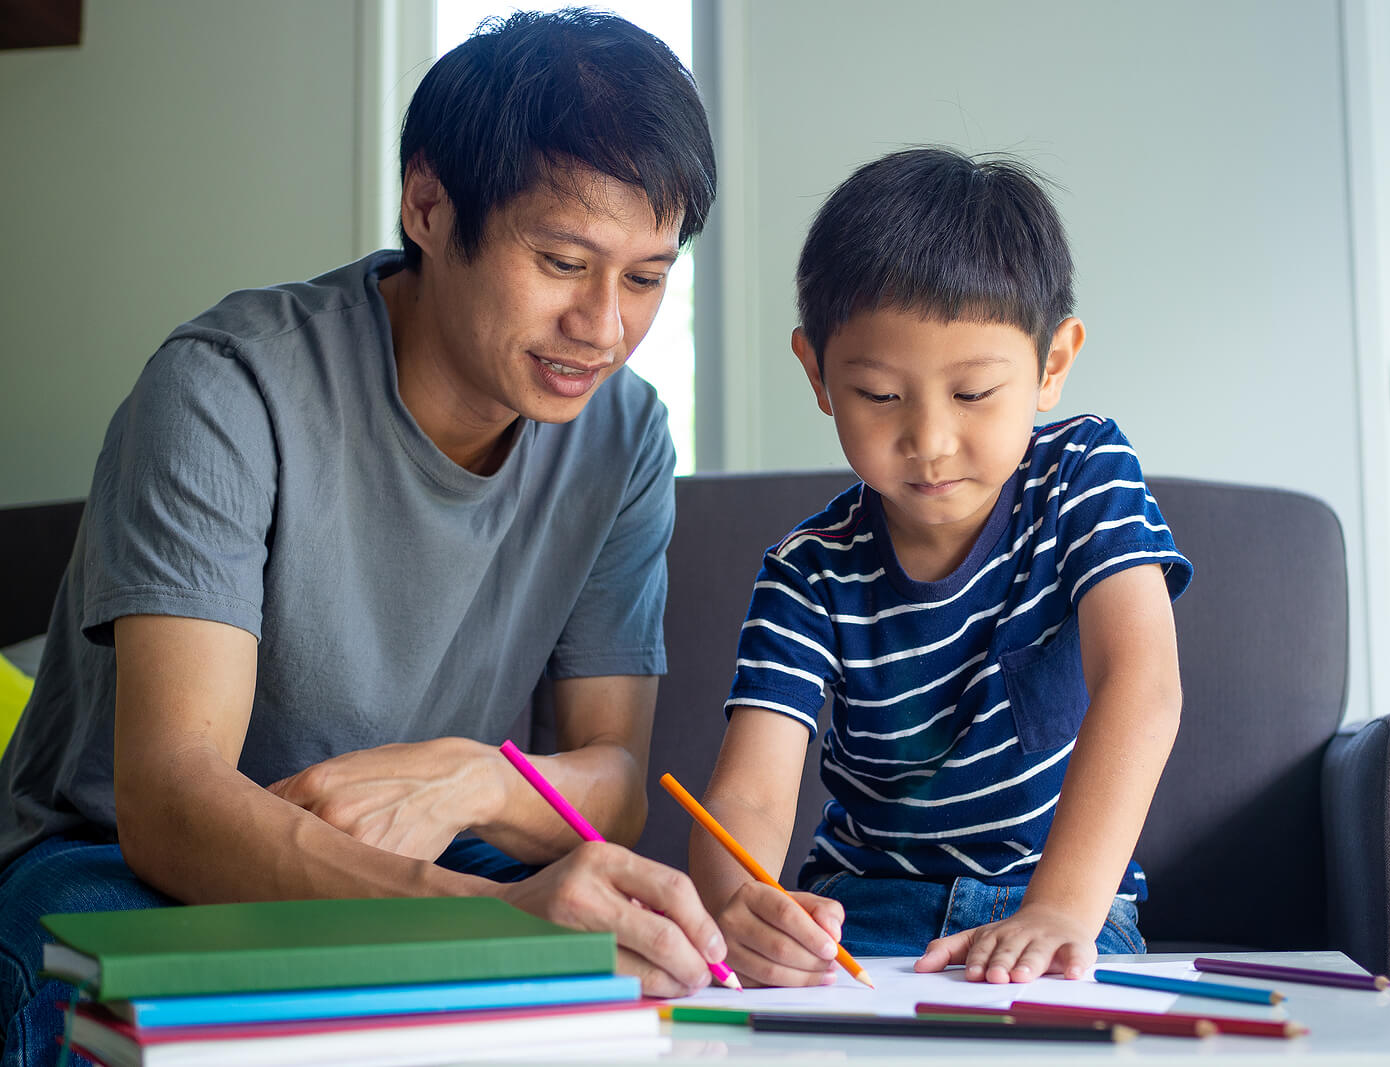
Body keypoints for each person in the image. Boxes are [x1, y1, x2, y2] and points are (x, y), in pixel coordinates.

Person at [0, 10, 727, 1064]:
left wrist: (472, 779)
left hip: (434, 847)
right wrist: (486, 921)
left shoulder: (623, 436)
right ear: (428, 204)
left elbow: (610, 780)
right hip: (116, 859)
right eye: (564, 261)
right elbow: (169, 799)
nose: (605, 326)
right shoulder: (225, 388)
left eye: (647, 277)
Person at [688, 147, 1193, 988]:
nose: (928, 440)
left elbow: (1143, 683)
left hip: (1064, 902)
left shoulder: (1083, 474)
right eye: (881, 396)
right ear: (816, 371)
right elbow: (751, 796)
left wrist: (1061, 907)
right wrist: (743, 903)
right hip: (864, 912)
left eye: (972, 394)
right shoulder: (806, 574)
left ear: (1052, 365)